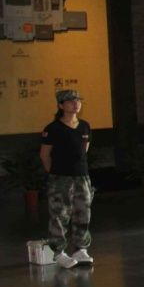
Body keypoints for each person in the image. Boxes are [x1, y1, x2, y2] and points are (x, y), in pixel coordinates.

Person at [42, 89, 94, 268]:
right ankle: (58, 252)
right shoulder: (53, 128)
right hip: (60, 177)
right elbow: (45, 155)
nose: (76, 104)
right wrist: (56, 175)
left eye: (77, 100)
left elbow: (84, 150)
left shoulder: (84, 126)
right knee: (60, 214)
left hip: (82, 176)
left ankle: (81, 249)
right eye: (71, 101)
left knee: (83, 211)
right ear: (61, 105)